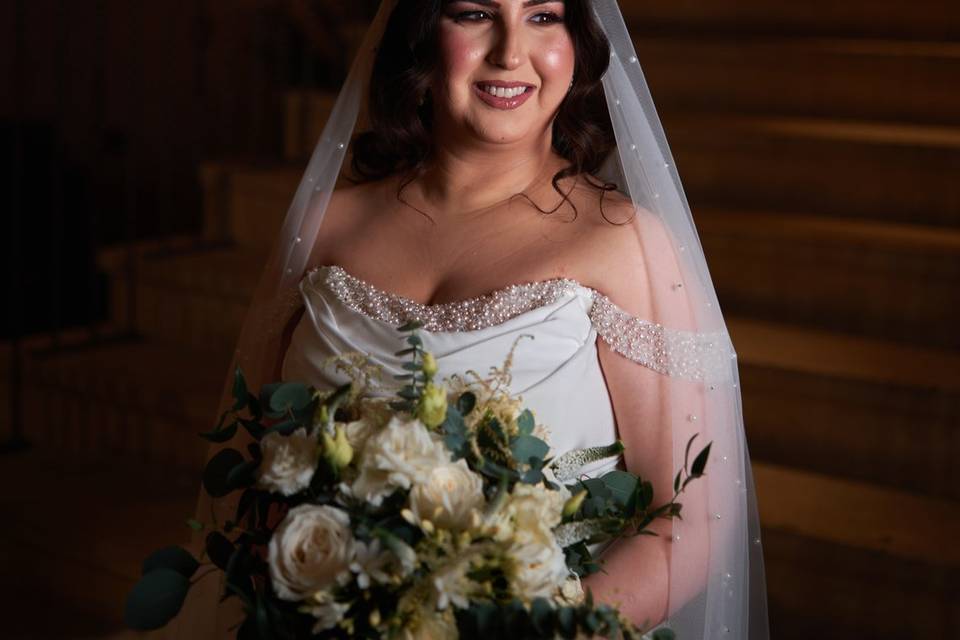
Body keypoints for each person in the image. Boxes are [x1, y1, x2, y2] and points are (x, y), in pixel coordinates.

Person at [168, 1, 770, 638]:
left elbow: (691, 523)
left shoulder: (625, 244)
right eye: (476, 12)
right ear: (424, 33)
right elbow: (244, 464)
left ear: (580, 41)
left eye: (544, 16)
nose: (511, 53)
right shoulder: (325, 224)